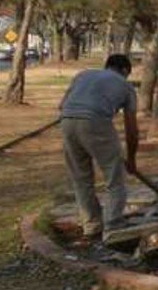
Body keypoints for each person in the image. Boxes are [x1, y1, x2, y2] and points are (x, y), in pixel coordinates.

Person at [59, 53, 139, 240]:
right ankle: (113, 224)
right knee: (114, 176)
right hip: (95, 121)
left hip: (67, 121)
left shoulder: (83, 75)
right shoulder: (126, 86)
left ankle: (92, 225)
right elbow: (131, 129)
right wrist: (132, 159)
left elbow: (61, 105)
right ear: (126, 71)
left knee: (81, 178)